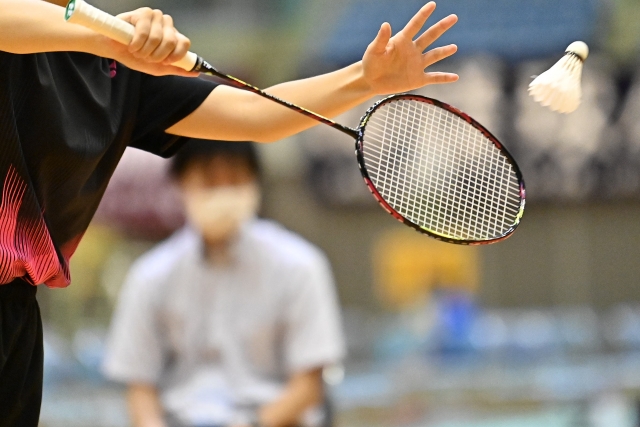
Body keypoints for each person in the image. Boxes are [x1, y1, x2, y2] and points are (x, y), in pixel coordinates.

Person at [0, 0, 458, 424]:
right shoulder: (70, 40)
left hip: (17, 318)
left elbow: (256, 113)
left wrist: (365, 78)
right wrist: (103, 36)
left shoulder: (113, 73)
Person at [103, 139, 345, 427]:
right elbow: (140, 389)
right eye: (209, 180)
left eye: (235, 179)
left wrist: (252, 424)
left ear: (255, 181)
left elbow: (308, 387)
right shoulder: (149, 276)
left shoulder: (300, 266)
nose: (223, 192)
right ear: (180, 183)